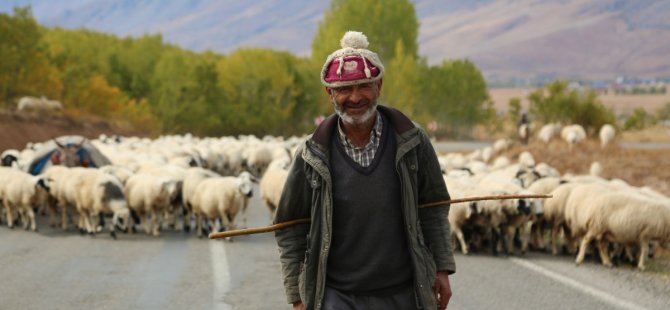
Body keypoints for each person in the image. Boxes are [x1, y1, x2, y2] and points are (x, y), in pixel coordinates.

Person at [274, 31, 455, 310]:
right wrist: (297, 297)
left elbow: (433, 207)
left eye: (363, 86)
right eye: (344, 89)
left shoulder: (412, 142)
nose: (355, 97)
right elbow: (290, 227)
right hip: (336, 296)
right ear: (329, 92)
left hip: (403, 293)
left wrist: (442, 267)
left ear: (379, 85)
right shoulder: (311, 154)